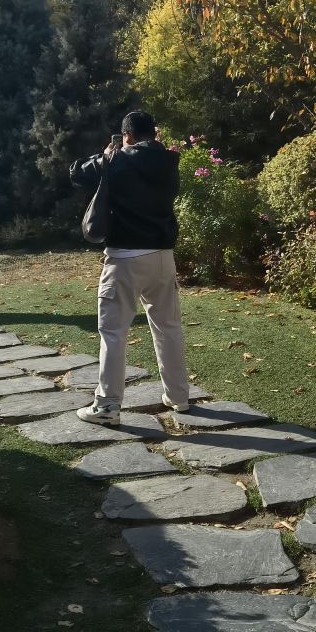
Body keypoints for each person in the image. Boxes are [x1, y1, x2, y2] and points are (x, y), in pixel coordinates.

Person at [68, 111, 196, 424]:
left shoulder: (116, 160)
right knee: (168, 327)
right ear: (155, 134)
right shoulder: (169, 161)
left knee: (113, 332)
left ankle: (107, 406)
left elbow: (76, 172)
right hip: (163, 256)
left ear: (126, 136)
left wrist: (106, 154)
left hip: (125, 257)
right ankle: (178, 397)